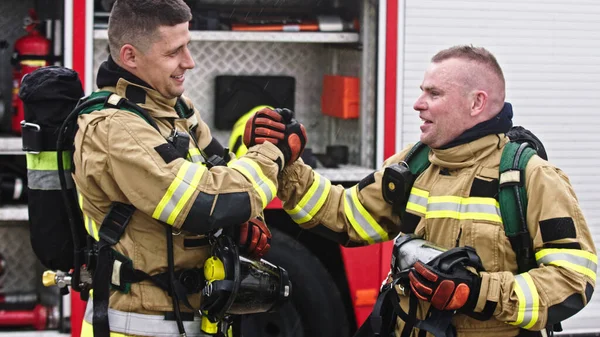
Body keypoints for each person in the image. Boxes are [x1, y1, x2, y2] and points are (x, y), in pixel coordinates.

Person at [244, 45, 597, 336]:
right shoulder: (414, 165)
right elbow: (346, 216)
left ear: (476, 103)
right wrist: (287, 164)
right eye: (422, 91)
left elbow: (573, 280)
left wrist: (477, 293)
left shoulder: (531, 177)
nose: (418, 104)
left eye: (434, 93)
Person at [72, 0, 306, 336]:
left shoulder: (175, 108)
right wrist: (275, 153)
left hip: (190, 322)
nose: (190, 62)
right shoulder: (115, 129)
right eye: (173, 52)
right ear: (130, 57)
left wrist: (250, 217)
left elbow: (222, 168)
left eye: (188, 46)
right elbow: (205, 204)